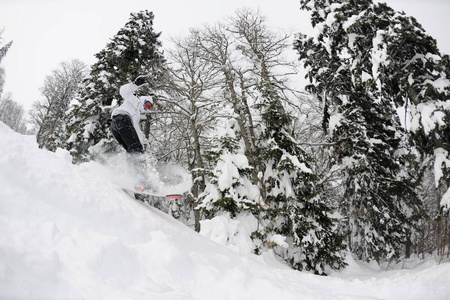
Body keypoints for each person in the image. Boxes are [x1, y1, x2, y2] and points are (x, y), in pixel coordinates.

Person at [109, 75, 155, 191]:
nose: (147, 107)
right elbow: (123, 91)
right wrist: (134, 85)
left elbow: (137, 131)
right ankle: (141, 182)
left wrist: (145, 142)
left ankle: (124, 178)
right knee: (137, 152)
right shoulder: (134, 100)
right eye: (147, 104)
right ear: (143, 99)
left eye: (149, 107)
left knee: (132, 153)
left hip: (115, 126)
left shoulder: (136, 116)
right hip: (122, 119)